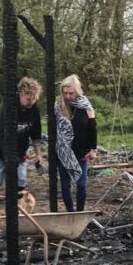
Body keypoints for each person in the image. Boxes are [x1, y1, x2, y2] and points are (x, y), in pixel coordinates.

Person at [0, 77, 45, 228]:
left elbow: (36, 133)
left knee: (20, 180)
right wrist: (8, 158)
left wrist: (38, 154)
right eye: (28, 98)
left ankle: (19, 216)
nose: (30, 102)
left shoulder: (34, 109)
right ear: (21, 94)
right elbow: (3, 134)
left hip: (19, 149)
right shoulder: (10, 107)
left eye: (33, 99)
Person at [54, 74, 98, 212]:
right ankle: (70, 212)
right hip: (63, 151)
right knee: (65, 185)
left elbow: (92, 128)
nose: (68, 96)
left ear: (77, 91)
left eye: (71, 93)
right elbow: (53, 128)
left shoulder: (86, 106)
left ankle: (79, 211)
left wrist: (93, 149)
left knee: (82, 185)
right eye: (65, 93)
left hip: (81, 152)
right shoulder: (57, 106)